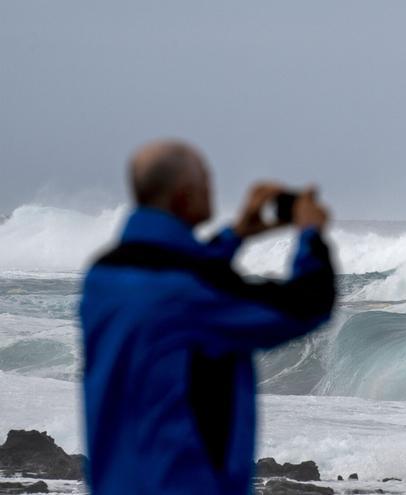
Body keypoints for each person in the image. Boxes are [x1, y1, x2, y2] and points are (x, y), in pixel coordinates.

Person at [79, 140, 336, 494]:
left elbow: (180, 274)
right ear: (184, 197)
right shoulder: (190, 289)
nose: (211, 188)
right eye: (205, 180)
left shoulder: (102, 276)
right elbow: (307, 305)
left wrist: (235, 236)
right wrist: (311, 234)